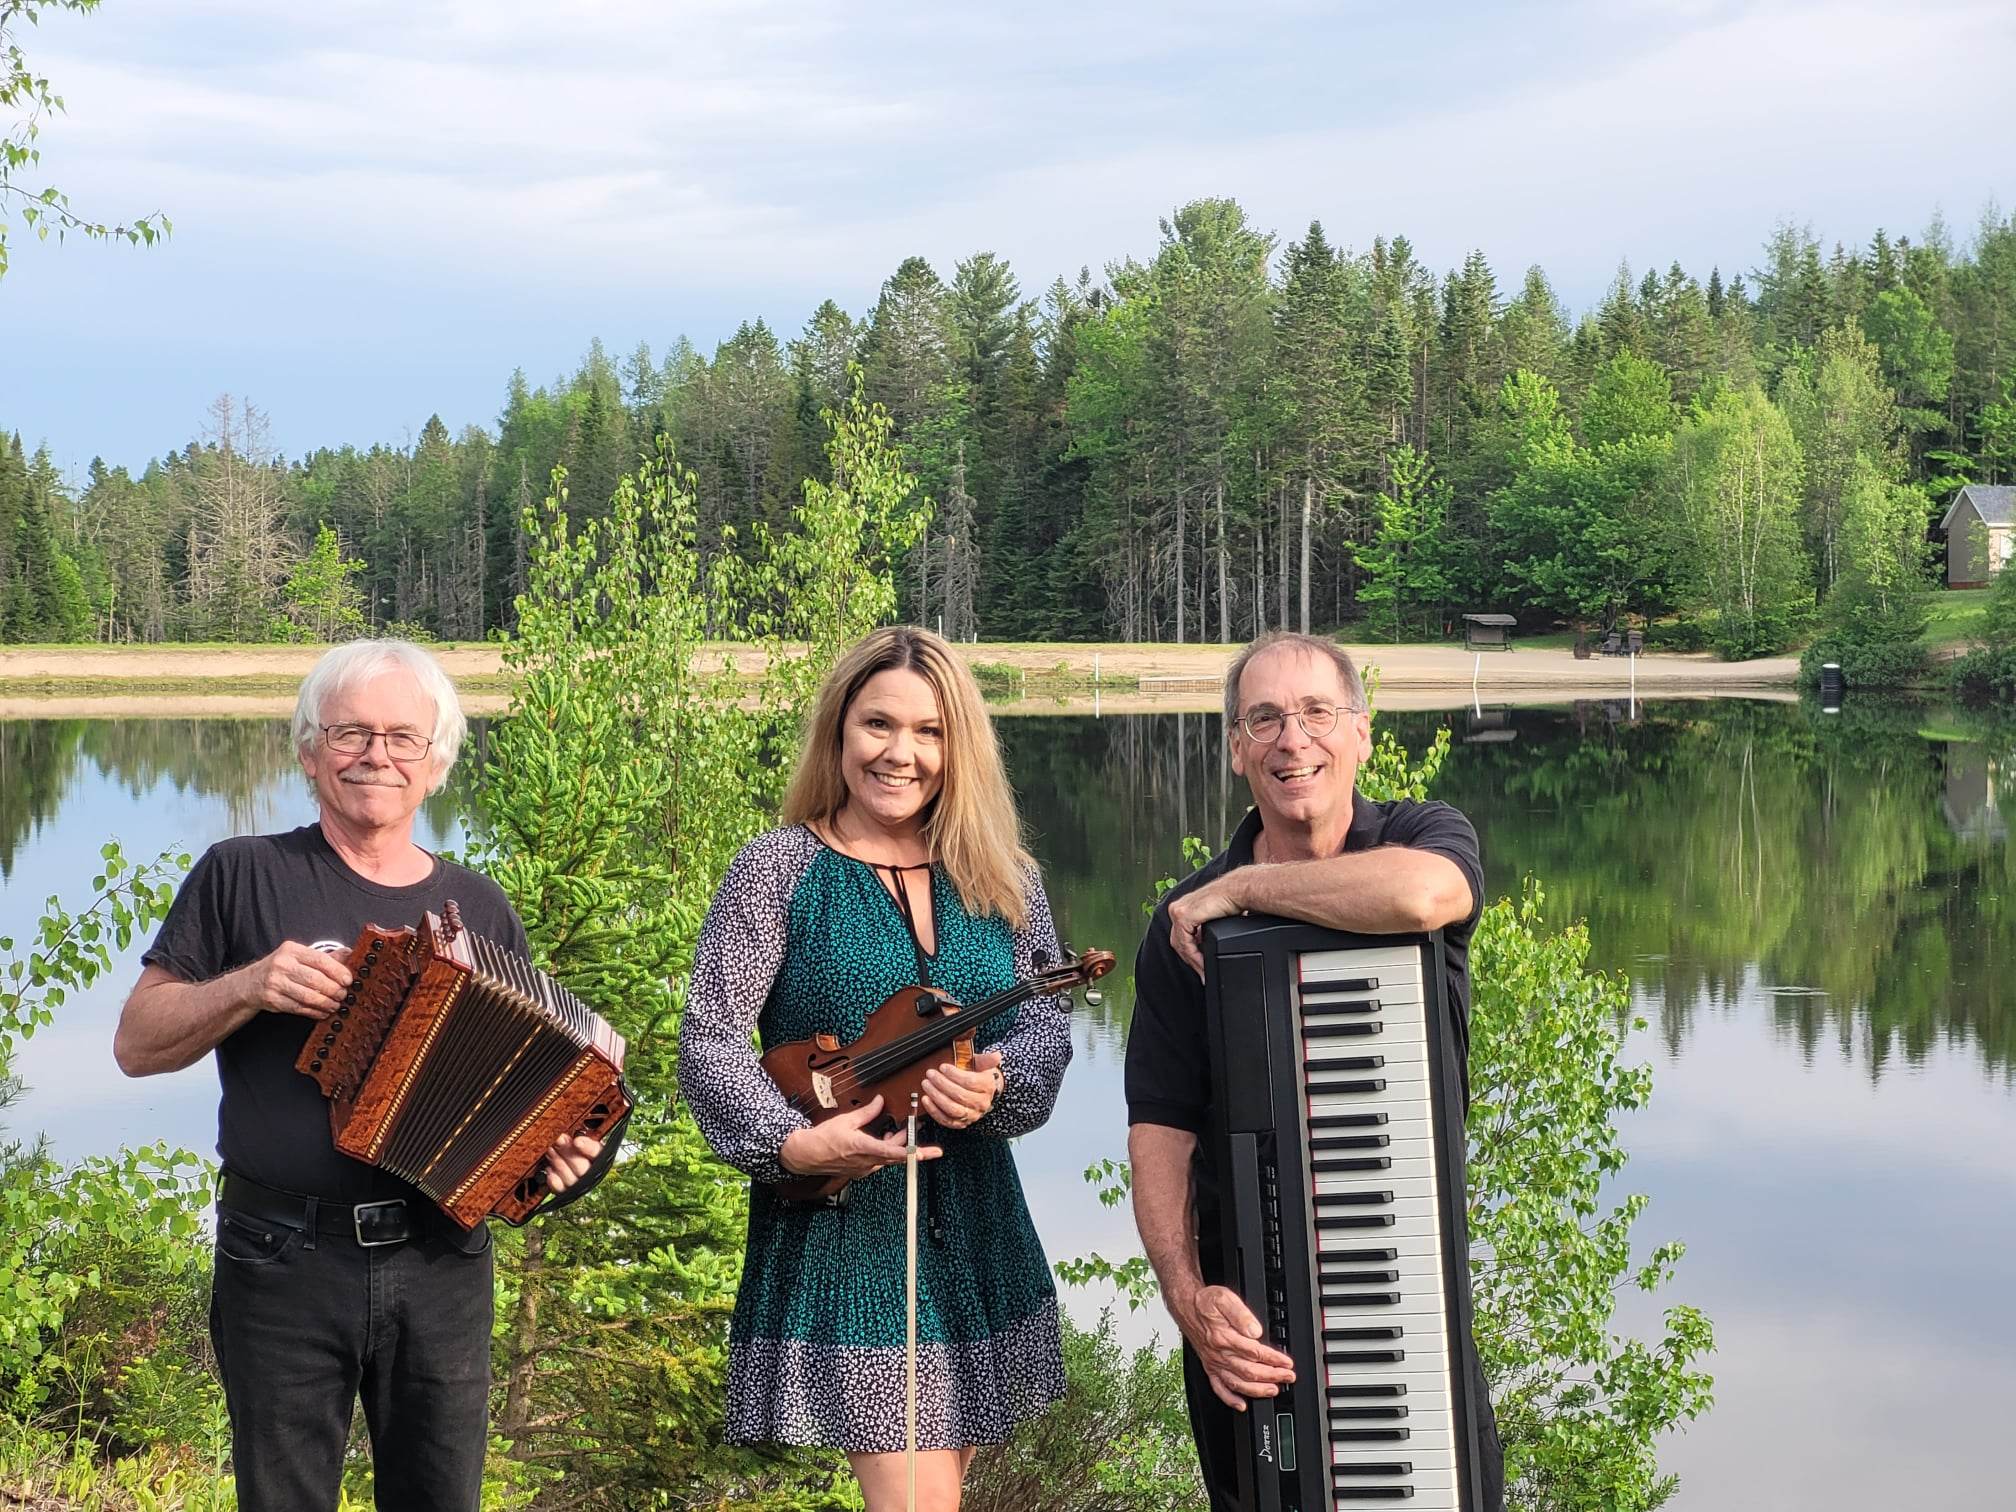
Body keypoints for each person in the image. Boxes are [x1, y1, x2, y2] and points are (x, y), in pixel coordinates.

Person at [113, 639, 615, 1512]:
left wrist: (559, 1164)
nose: (375, 755)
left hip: (443, 1260)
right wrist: (249, 985)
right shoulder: (245, 873)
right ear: (309, 751)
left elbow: (527, 1100)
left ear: (436, 764)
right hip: (282, 1257)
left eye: (400, 738)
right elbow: (135, 1043)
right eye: (349, 733)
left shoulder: (482, 906)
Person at [679, 626, 1072, 1512]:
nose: (901, 753)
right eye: (877, 725)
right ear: (839, 732)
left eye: (929, 732)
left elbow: (1044, 1021)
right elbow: (708, 1038)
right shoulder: (776, 868)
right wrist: (792, 1144)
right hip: (845, 1231)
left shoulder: (1004, 875)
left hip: (977, 1221)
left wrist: (998, 1082)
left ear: (957, 745)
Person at [1123, 630, 1504, 1512]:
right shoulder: (1179, 926)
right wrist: (1190, 1301)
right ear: (1234, 749)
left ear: (1362, 734)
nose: (1293, 740)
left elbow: (1421, 898)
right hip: (1250, 1320)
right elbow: (1159, 1132)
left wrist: (1246, 893)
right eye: (1264, 720)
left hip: (1407, 1290)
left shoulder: (1421, 834)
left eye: (1317, 714)